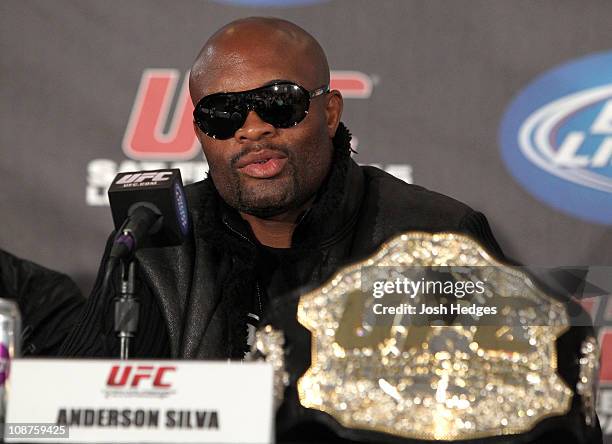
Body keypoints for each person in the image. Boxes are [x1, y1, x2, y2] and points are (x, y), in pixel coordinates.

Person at [60, 17, 505, 359]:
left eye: (278, 104)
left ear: (329, 113)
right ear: (200, 132)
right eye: (222, 114)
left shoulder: (436, 237)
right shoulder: (156, 245)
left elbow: (500, 409)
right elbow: (88, 411)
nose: (252, 130)